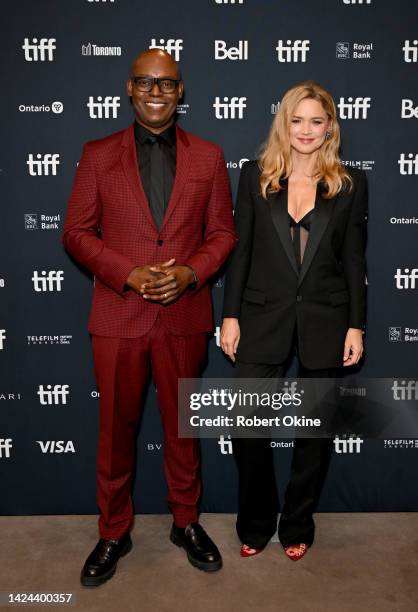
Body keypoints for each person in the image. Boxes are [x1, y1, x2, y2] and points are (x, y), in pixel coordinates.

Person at [63, 48, 236, 585]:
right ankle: (113, 530)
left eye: (167, 83)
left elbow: (223, 234)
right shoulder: (97, 154)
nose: (156, 92)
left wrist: (190, 273)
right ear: (129, 89)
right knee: (115, 431)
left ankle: (186, 522)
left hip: (184, 316)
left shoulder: (208, 156)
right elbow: (76, 232)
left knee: (183, 431)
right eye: (146, 82)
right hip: (118, 317)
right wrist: (127, 273)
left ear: (181, 92)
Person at [220, 80, 368, 561]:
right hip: (262, 317)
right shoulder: (254, 175)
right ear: (284, 123)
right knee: (246, 425)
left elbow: (354, 262)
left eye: (316, 121)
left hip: (328, 317)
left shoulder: (349, 184)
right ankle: (257, 521)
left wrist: (356, 326)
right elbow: (240, 255)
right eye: (297, 120)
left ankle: (298, 521)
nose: (306, 130)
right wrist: (230, 315)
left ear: (330, 128)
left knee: (315, 433)